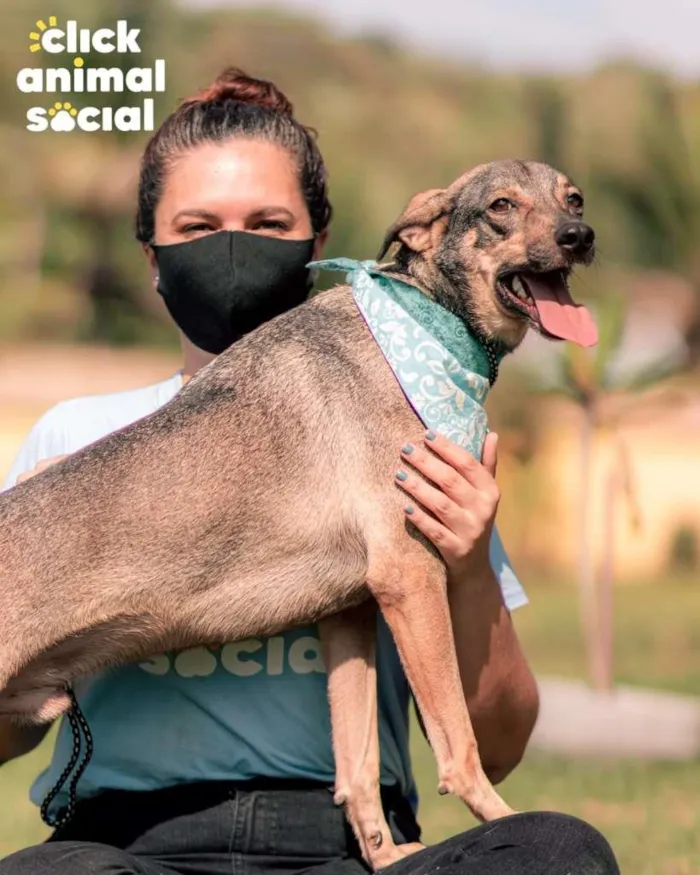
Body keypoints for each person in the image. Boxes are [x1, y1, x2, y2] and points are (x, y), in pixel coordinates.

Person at [0, 68, 619, 875]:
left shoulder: (421, 419)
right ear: (150, 253)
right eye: (199, 225)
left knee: (559, 852)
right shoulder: (75, 438)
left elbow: (496, 736)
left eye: (266, 222)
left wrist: (467, 565)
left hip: (337, 850)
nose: (233, 247)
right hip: (131, 846)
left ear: (318, 245)